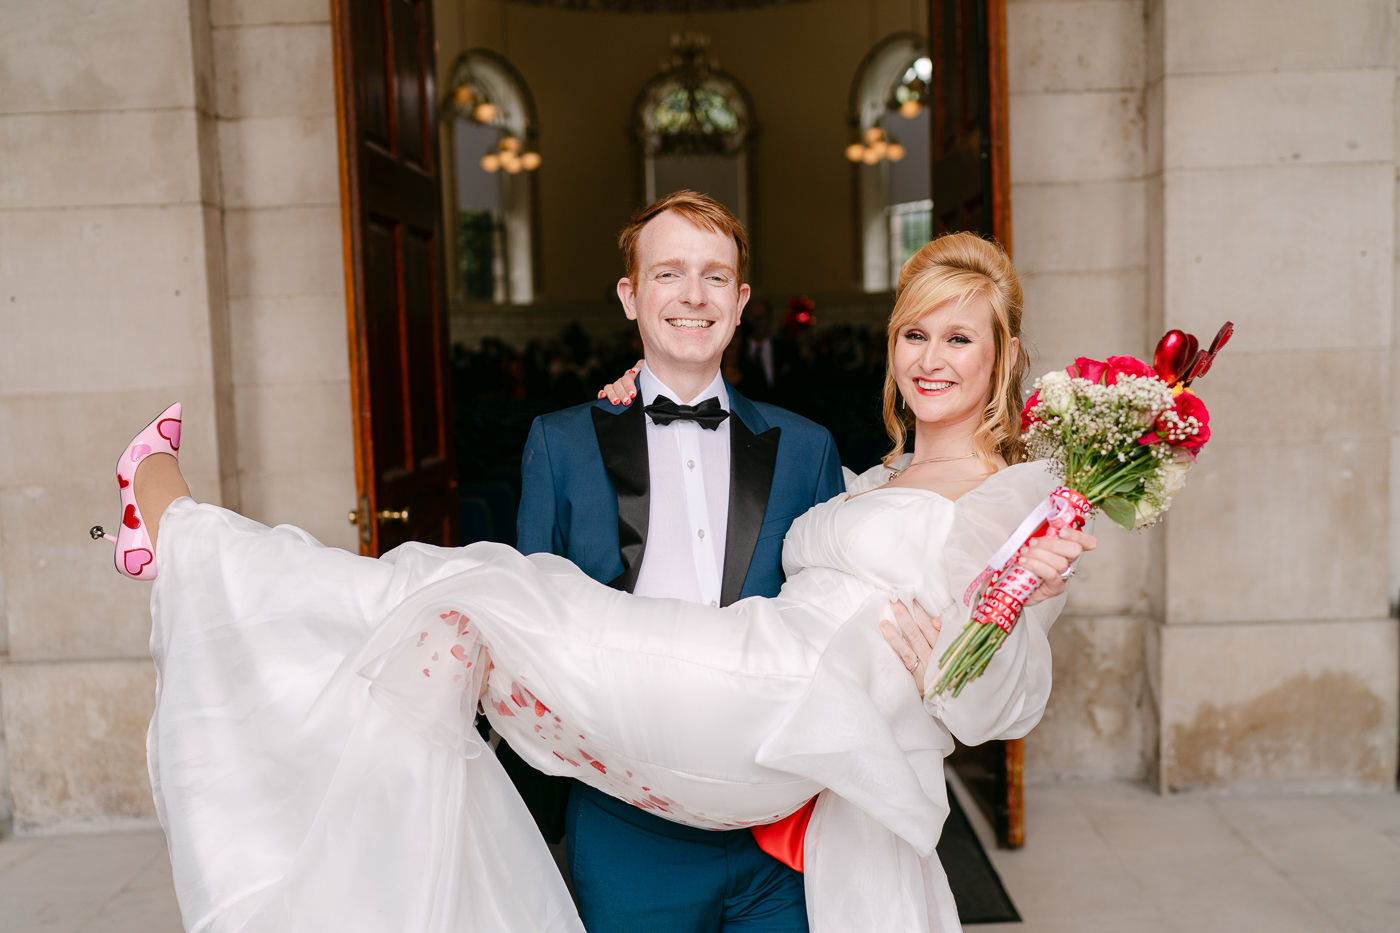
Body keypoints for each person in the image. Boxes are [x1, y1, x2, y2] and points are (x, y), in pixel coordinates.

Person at [97, 231, 1093, 933]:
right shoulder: (866, 474)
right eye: (913, 335)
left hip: (776, 711)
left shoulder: (1019, 499)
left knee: (479, 591)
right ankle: (337, 832)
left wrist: (997, 628)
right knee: (462, 613)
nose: (930, 358)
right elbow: (823, 538)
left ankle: (183, 529)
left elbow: (1007, 698)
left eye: (957, 338)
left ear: (1001, 356)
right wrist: (630, 403)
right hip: (731, 706)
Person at [506, 191, 844, 932]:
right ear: (630, 296)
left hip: (777, 826)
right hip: (627, 825)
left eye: (715, 276)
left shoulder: (807, 448)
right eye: (668, 274)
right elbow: (529, 633)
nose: (693, 294)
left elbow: (838, 616)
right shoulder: (559, 446)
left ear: (742, 298)